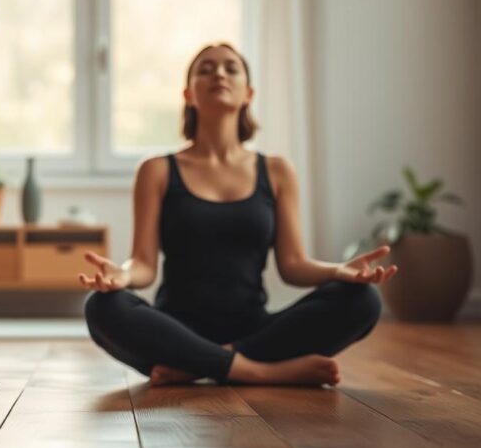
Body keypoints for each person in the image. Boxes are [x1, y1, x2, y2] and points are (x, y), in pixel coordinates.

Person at [79, 42, 398, 386]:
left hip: (252, 329)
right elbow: (142, 264)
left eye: (231, 68)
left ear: (248, 93)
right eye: (206, 69)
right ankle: (256, 371)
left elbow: (293, 265)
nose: (218, 73)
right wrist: (122, 277)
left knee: (363, 301)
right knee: (102, 307)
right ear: (188, 94)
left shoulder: (276, 171)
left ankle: (204, 364)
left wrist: (338, 271)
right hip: (173, 330)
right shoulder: (156, 170)